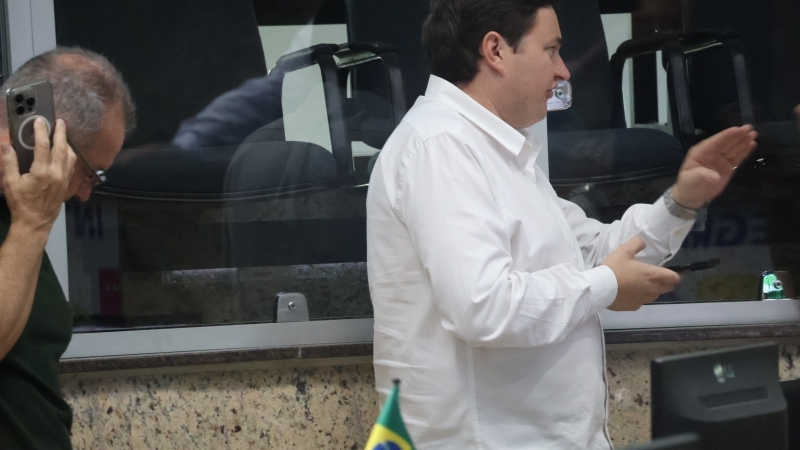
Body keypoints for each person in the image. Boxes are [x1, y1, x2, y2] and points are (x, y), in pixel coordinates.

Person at [366, 0, 757, 448]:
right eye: (550, 50)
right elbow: (483, 306)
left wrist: (682, 201)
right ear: (495, 50)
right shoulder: (440, 147)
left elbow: (594, 251)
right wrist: (606, 285)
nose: (563, 71)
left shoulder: (497, 150)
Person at [0, 47, 135, 449]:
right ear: (42, 135)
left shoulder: (17, 209)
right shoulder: (28, 218)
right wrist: (32, 223)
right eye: (89, 172)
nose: (83, 194)